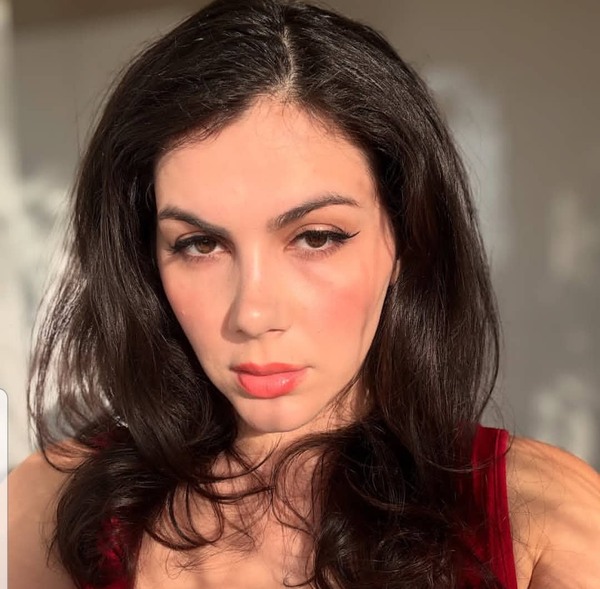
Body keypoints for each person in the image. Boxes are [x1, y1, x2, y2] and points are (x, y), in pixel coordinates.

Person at [7, 0, 600, 587]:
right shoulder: (46, 512)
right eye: (200, 244)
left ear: (407, 239)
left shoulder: (542, 523)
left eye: (316, 237)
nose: (253, 313)